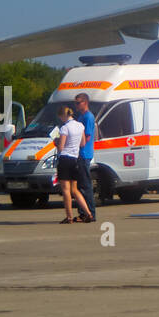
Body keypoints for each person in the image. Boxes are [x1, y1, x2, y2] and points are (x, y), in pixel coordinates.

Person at [55, 106, 92, 225]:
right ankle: (88, 213)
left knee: (66, 190)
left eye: (60, 117)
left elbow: (61, 147)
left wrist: (56, 142)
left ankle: (69, 217)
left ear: (63, 116)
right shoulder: (80, 125)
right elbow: (83, 143)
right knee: (75, 189)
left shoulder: (64, 128)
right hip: (75, 159)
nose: (61, 119)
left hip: (65, 159)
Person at [73, 92, 97, 222]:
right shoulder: (81, 116)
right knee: (81, 185)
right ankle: (83, 212)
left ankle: (90, 213)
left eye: (78, 102)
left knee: (85, 185)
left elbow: (86, 137)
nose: (76, 105)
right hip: (79, 154)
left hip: (84, 154)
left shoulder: (88, 117)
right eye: (75, 103)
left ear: (85, 102)